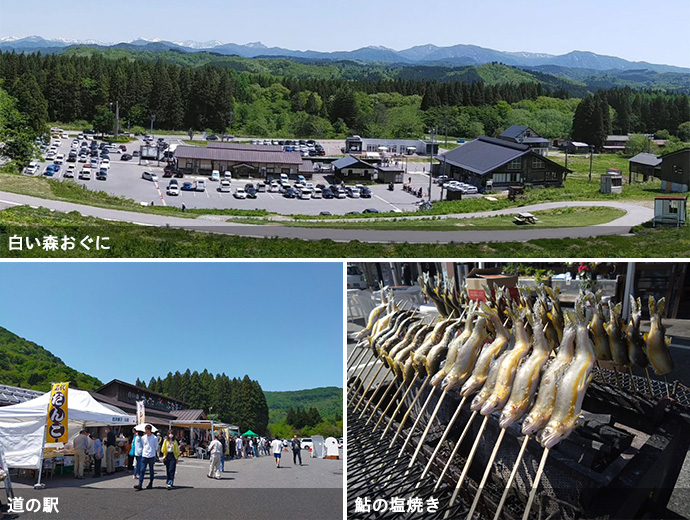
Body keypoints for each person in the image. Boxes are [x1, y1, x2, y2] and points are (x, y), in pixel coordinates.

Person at [134, 425, 158, 491]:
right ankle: (140, 484)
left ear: (150, 430)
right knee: (142, 470)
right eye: (145, 430)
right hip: (144, 455)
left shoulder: (154, 438)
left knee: (151, 470)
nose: (145, 431)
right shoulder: (143, 437)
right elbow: (143, 445)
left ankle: (150, 483)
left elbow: (156, 447)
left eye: (146, 430)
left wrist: (155, 454)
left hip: (151, 455)